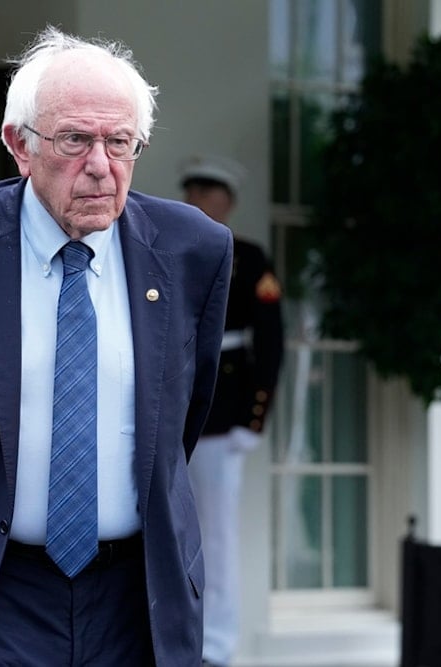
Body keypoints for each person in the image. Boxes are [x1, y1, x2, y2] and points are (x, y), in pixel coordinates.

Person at [0, 26, 233, 666]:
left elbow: (181, 424)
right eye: (75, 140)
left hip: (136, 598)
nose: (100, 166)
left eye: (120, 143)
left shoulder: (194, 249)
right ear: (19, 145)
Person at [181, 155, 284, 667]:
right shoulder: (170, 248)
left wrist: (254, 418)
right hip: (174, 412)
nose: (199, 198)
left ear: (229, 201)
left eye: (210, 191)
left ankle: (216, 645)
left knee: (216, 534)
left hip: (223, 413)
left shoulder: (249, 256)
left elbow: (270, 342)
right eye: (193, 190)